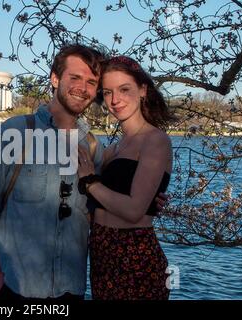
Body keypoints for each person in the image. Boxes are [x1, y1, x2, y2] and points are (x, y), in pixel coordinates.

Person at [0, 44, 105, 300]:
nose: (82, 88)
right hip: (13, 288)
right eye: (75, 77)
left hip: (69, 290)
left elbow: (108, 208)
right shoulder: (14, 132)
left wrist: (148, 201)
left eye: (91, 82)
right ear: (55, 78)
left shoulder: (93, 148)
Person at [77, 55, 174, 300]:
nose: (115, 100)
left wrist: (90, 181)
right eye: (107, 92)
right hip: (103, 255)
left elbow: (132, 211)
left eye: (124, 89)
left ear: (142, 90)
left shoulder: (155, 140)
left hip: (135, 256)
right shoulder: (112, 149)